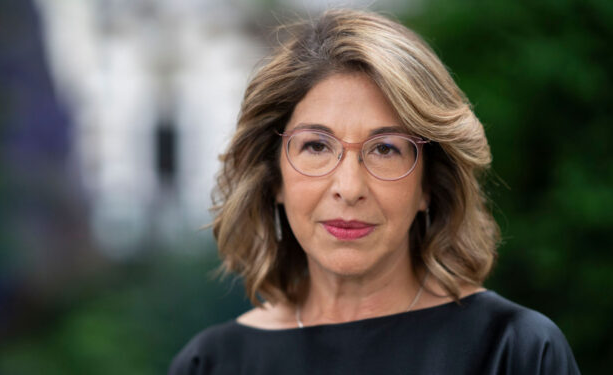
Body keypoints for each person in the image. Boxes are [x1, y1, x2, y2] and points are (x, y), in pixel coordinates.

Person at [168, 9, 580, 375]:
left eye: (385, 149)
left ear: (428, 186)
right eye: (316, 146)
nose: (349, 188)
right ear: (272, 178)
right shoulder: (211, 363)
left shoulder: (515, 351)